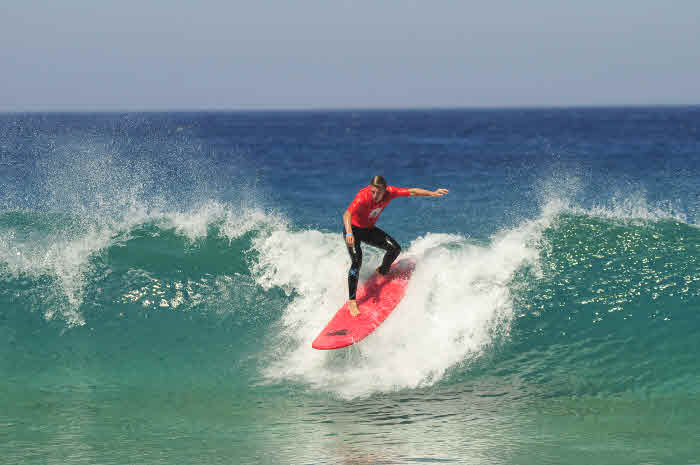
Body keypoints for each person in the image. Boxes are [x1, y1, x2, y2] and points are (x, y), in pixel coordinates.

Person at [342, 176, 449, 316]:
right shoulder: (363, 197)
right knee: (357, 261)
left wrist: (433, 193)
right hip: (353, 230)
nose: (374, 195)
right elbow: (347, 214)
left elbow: (412, 192)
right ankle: (352, 302)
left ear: (384, 190)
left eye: (378, 193)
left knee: (395, 249)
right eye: (372, 191)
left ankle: (381, 271)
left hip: (368, 230)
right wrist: (349, 233)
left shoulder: (391, 192)